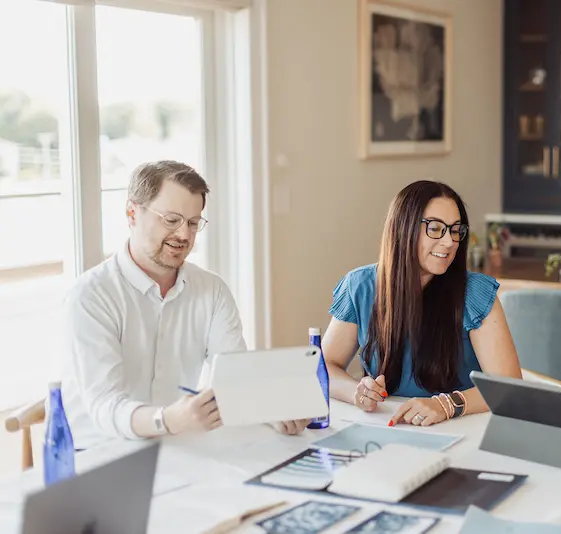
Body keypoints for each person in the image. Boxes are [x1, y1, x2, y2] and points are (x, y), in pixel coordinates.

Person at [61, 160, 308, 450]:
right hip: (99, 454)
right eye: (171, 220)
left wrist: (271, 410)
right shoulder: (91, 295)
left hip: (175, 449)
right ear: (132, 213)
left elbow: (234, 377)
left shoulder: (212, 291)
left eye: (193, 223)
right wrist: (167, 420)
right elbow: (105, 406)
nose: (184, 235)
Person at [321, 180, 522, 427]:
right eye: (436, 228)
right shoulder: (359, 286)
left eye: (455, 230)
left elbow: (509, 388)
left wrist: (447, 405)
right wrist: (357, 392)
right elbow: (325, 366)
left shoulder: (475, 293)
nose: (449, 242)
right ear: (403, 228)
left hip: (461, 429)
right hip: (385, 427)